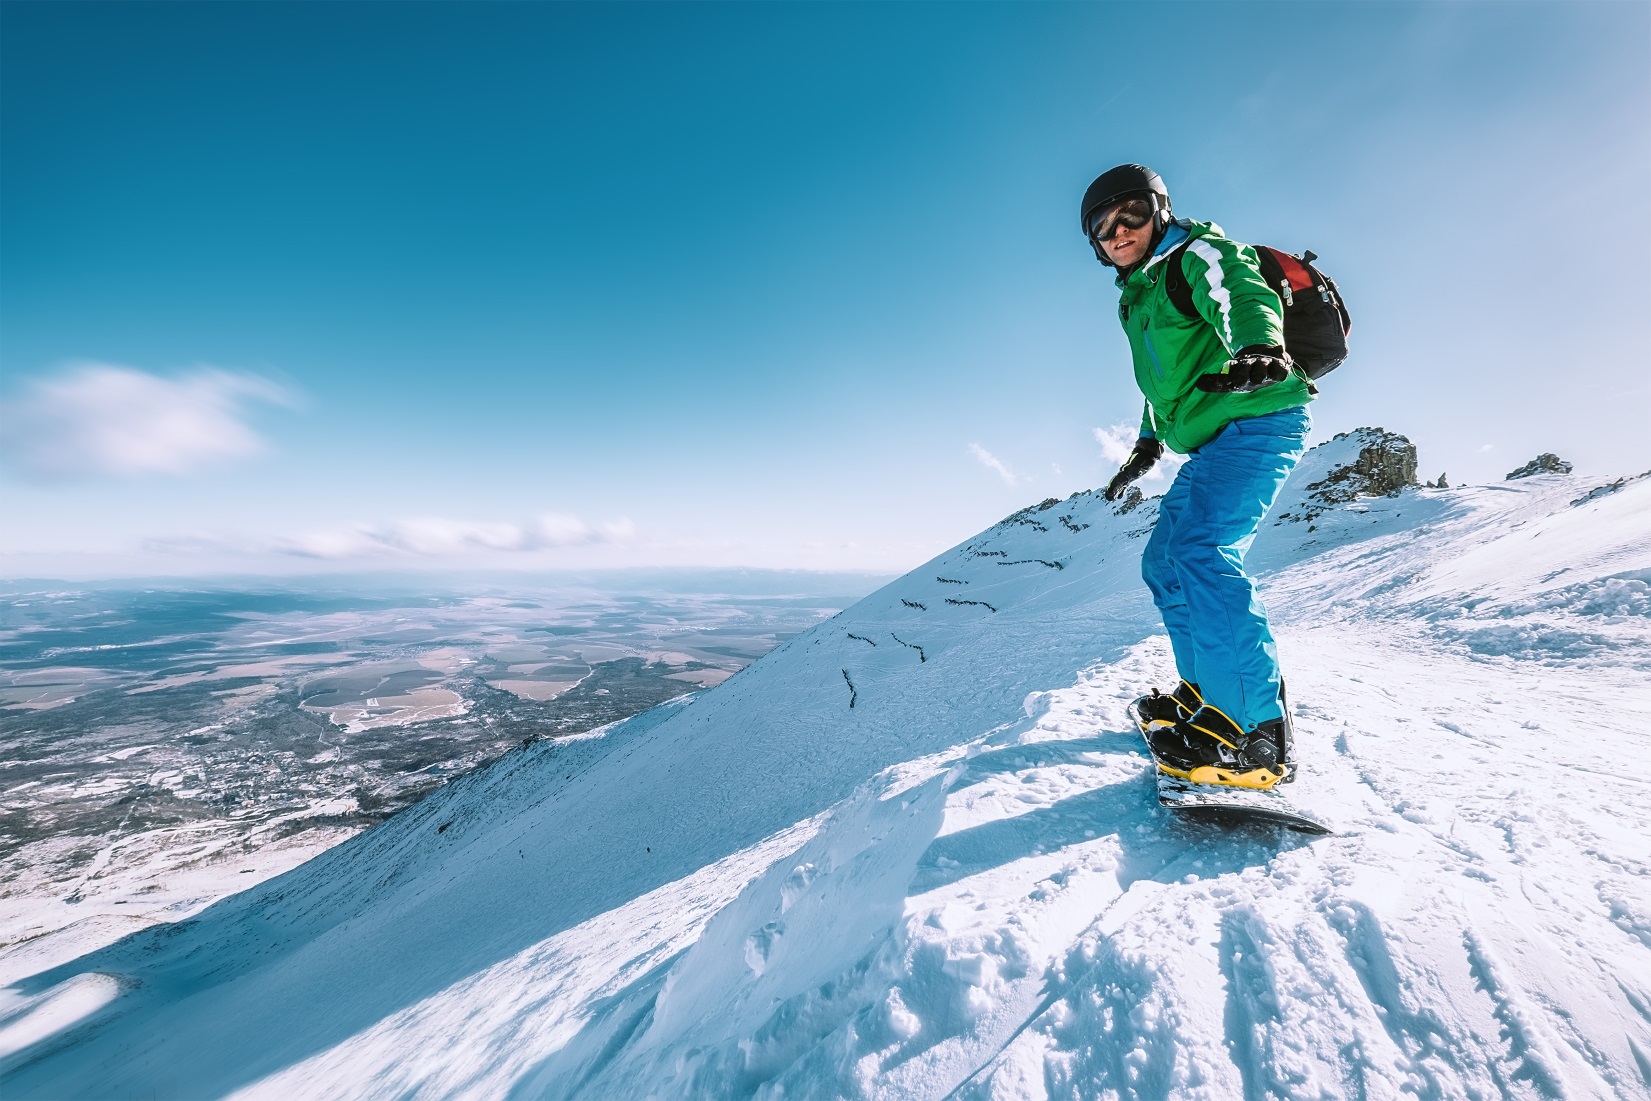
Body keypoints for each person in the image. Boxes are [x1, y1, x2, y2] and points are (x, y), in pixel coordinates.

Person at [1082, 163, 1312, 788]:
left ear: (1157, 210)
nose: (1119, 230)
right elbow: (1166, 380)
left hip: (1259, 419)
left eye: (1130, 213)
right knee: (1164, 562)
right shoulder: (1141, 296)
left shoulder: (1197, 251)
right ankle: (1208, 691)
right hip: (1212, 438)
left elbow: (1240, 292)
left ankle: (1251, 732)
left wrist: (1260, 346)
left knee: (1204, 551)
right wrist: (1147, 443)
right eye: (1102, 228)